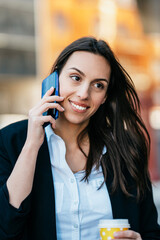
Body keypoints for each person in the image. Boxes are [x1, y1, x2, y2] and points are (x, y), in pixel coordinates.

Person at [0, 37, 160, 240]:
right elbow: (5, 226)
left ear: (105, 97)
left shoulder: (126, 149)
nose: (84, 93)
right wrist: (31, 144)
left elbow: (150, 231)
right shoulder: (10, 141)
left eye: (98, 85)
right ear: (55, 78)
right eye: (76, 78)